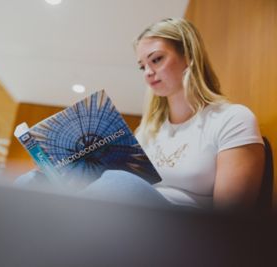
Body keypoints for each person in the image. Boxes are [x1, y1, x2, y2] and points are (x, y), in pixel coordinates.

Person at [15, 18, 265, 211]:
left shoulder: (232, 119)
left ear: (188, 56)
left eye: (156, 60)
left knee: (118, 183)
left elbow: (230, 222)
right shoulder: (147, 130)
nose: (147, 72)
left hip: (187, 233)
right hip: (131, 221)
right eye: (142, 66)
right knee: (31, 181)